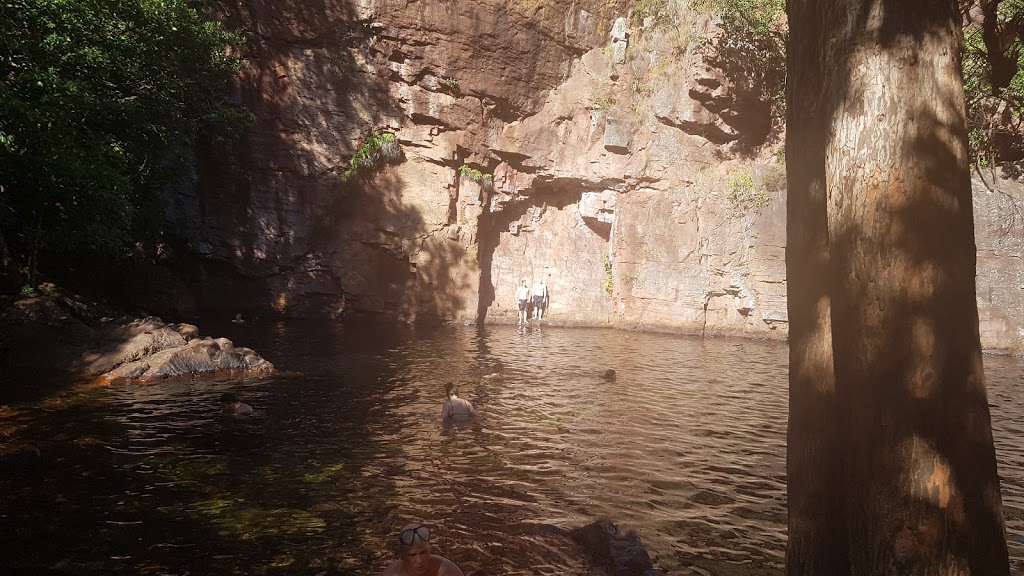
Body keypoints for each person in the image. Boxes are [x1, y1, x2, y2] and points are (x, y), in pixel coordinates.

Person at [383, 524, 466, 576]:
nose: (419, 561)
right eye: (413, 555)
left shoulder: (447, 571)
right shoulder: (392, 573)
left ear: (430, 549)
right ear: (403, 556)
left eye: (423, 553)